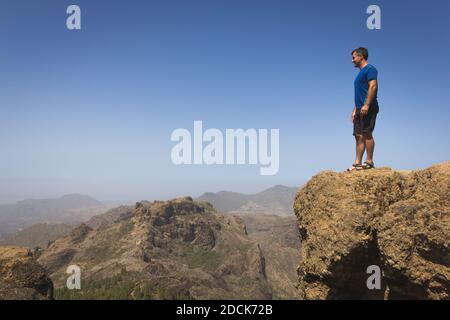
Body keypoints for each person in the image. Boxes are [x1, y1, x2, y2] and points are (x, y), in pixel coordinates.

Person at [347, 47, 379, 171]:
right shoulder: (359, 73)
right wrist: (355, 109)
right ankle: (357, 163)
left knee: (366, 133)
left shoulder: (370, 69)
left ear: (361, 57)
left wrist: (366, 104)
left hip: (369, 106)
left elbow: (373, 86)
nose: (352, 60)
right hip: (360, 107)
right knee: (358, 135)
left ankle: (369, 161)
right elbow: (360, 93)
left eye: (354, 57)